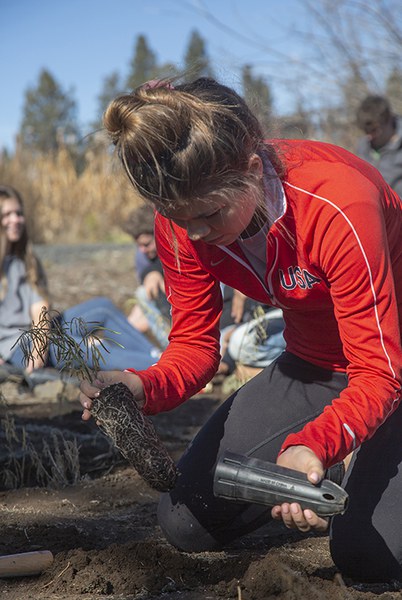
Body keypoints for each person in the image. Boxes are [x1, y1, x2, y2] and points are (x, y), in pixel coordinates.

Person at [79, 78, 402, 582]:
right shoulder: (183, 217)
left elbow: (381, 371)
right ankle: (341, 467)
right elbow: (194, 347)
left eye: (208, 214)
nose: (195, 234)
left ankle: (353, 468)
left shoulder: (336, 201)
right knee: (186, 521)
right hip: (316, 364)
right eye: (176, 218)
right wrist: (140, 385)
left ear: (252, 171)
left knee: (369, 554)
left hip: (389, 363)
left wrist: (314, 443)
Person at [0, 185, 161, 376]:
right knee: (92, 349)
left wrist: (40, 342)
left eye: (18, 213)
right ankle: (166, 371)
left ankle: (160, 359)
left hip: (40, 331)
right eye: (7, 214)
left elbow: (39, 310)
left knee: (103, 308)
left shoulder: (24, 259)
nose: (16, 220)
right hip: (16, 347)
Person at [122, 203, 171, 350]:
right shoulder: (142, 256)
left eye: (147, 244)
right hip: (163, 303)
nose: (142, 250)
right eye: (139, 245)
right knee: (142, 297)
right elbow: (147, 290)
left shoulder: (178, 244)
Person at [356, 95, 402, 197]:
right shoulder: (363, 146)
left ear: (389, 120)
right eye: (365, 131)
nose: (369, 136)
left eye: (373, 130)